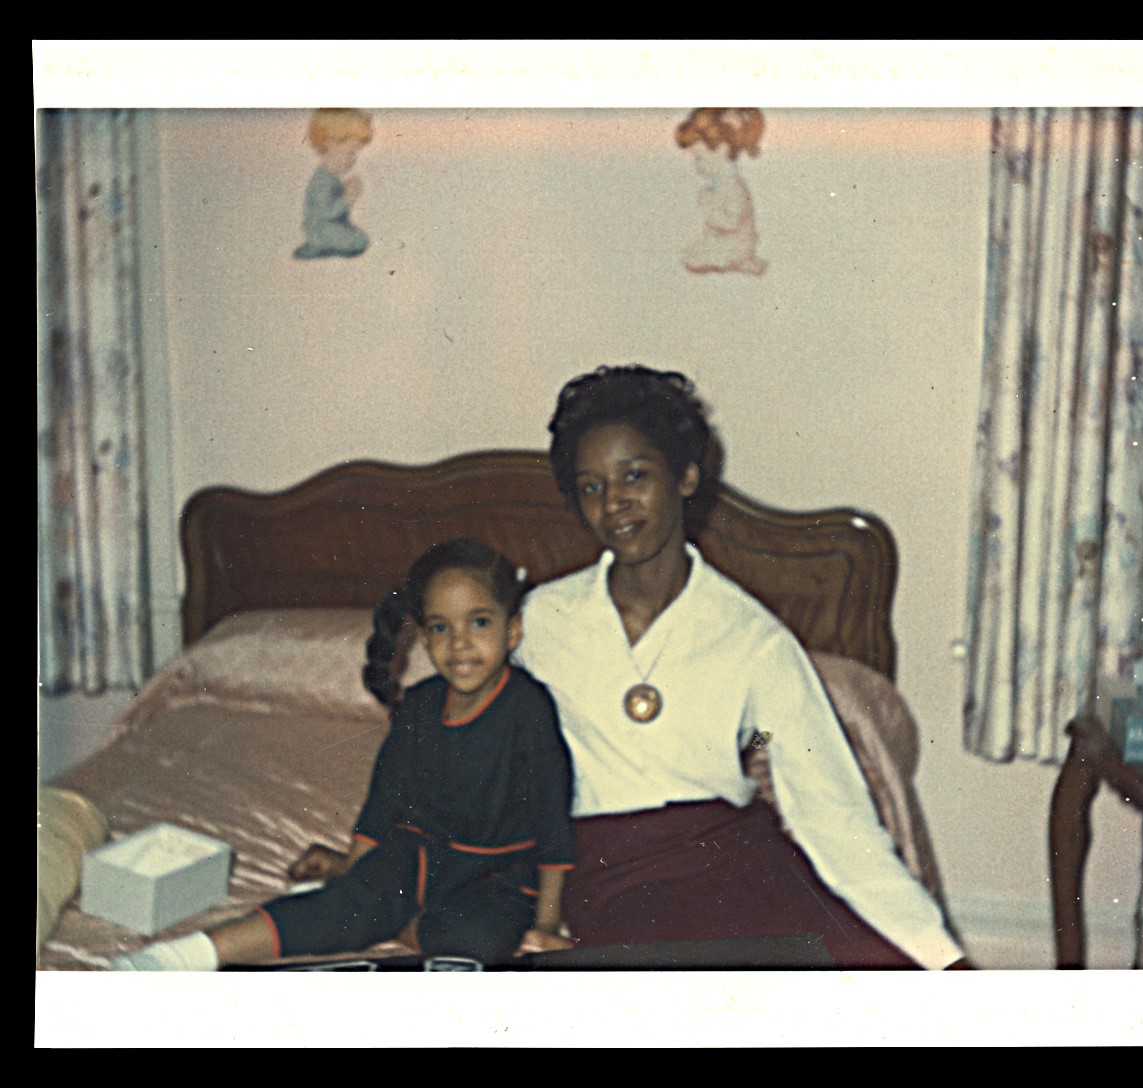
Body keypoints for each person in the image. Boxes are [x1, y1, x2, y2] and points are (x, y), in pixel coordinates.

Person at [510, 363, 969, 969]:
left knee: (875, 985)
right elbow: (467, 739)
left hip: (735, 858)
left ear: (687, 476)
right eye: (591, 486)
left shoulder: (754, 638)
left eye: (636, 476)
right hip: (612, 873)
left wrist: (944, 962)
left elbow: (831, 812)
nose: (614, 502)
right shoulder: (541, 621)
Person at [111, 539, 575, 970]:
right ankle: (192, 952)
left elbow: (553, 827)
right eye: (440, 627)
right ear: (426, 638)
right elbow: (382, 803)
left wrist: (549, 923)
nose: (459, 643)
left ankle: (394, 920)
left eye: (479, 622)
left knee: (477, 946)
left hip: (497, 876)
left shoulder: (529, 711)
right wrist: (356, 871)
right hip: (415, 859)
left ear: (512, 630)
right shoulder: (419, 706)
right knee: (340, 906)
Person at [675, 107, 767, 276]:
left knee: (693, 258)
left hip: (736, 243)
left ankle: (739, 260)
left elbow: (730, 223)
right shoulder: (719, 185)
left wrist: (708, 207)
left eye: (699, 157)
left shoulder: (734, 187)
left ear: (723, 150)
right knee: (689, 253)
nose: (696, 165)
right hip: (722, 241)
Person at [292, 107, 373, 260]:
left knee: (360, 239)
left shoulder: (330, 177)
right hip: (320, 230)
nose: (352, 160)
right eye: (350, 153)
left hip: (328, 227)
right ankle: (318, 245)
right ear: (330, 143)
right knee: (358, 241)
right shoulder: (322, 180)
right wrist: (348, 198)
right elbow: (327, 213)